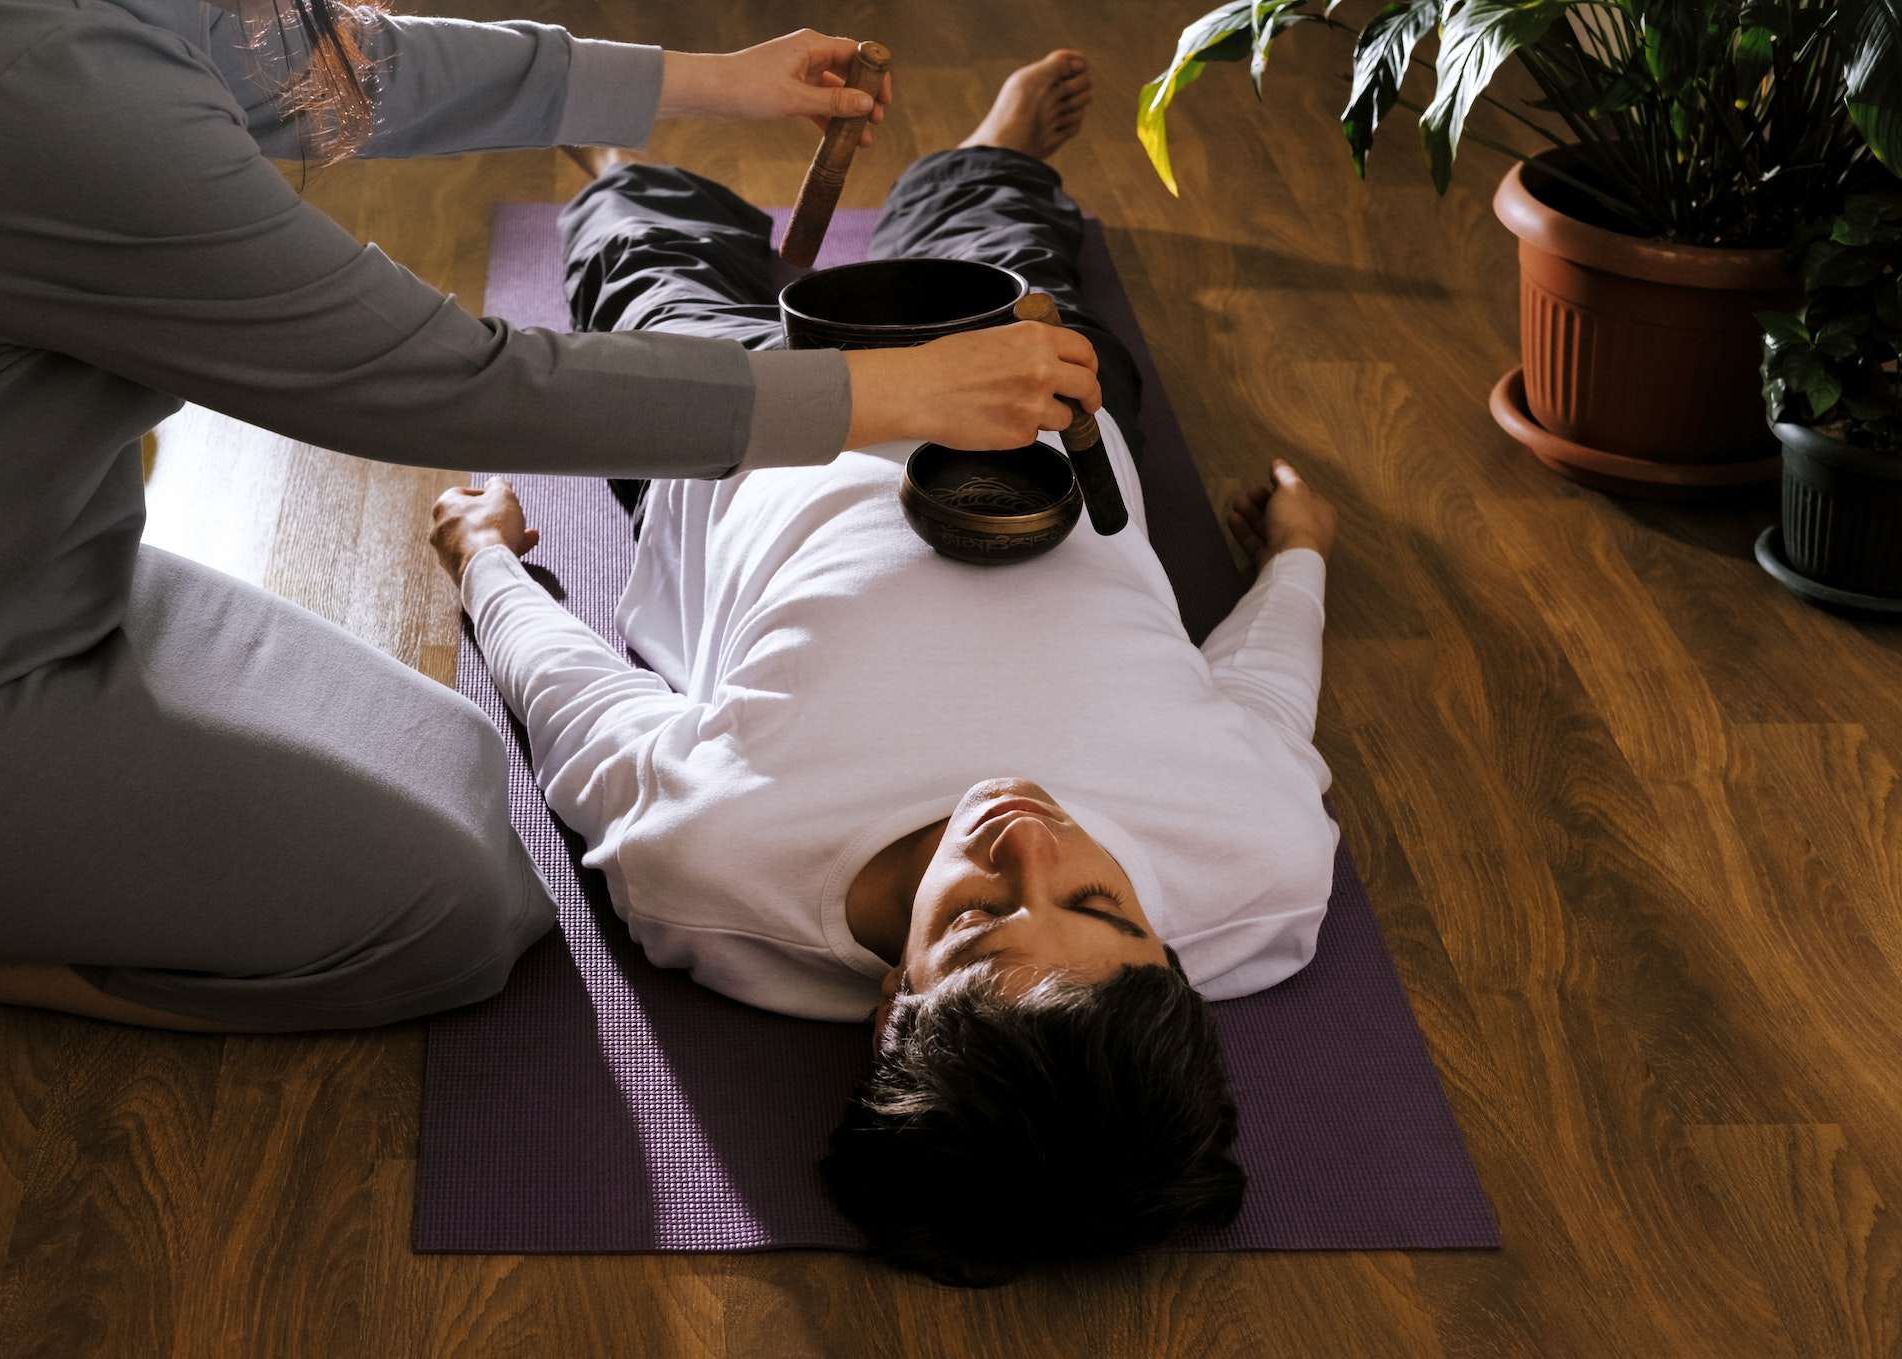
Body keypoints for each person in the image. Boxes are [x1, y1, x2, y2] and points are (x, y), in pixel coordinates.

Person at [0, 0, 1108, 1030]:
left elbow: (321, 63)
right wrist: (880, 392)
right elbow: (452, 382)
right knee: (458, 918)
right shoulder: (44, 102)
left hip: (34, 569)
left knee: (467, 770)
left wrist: (708, 84)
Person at [429, 52, 1342, 1283]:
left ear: (890, 1005)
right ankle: (989, 151)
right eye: (1099, 902)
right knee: (1011, 252)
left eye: (974, 920)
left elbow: (576, 707)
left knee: (651, 273)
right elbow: (1265, 693)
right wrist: (1296, 559)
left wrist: (486, 562)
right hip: (1032, 405)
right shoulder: (1262, 863)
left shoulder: (713, 866)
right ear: (1167, 955)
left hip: (748, 430)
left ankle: (621, 171)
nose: (1025, 836)